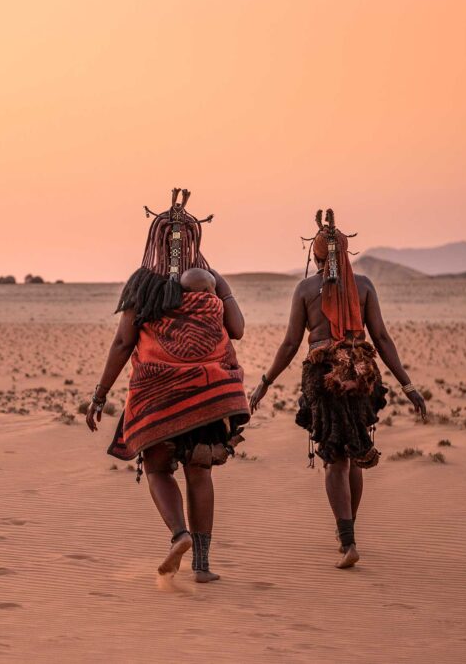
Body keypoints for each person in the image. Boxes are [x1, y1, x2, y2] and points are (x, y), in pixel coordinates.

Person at [86, 188, 249, 583]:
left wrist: (100, 394)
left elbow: (124, 342)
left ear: (155, 239)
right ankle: (203, 565)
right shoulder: (210, 284)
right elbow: (238, 330)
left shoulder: (143, 285)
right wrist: (221, 285)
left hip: (155, 395)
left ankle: (179, 534)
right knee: (199, 471)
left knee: (158, 469)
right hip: (204, 393)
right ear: (194, 239)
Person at [249, 209, 427, 569]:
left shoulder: (304, 289)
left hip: (323, 375)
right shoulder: (364, 287)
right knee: (355, 449)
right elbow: (381, 337)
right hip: (361, 372)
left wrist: (264, 384)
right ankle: (349, 531)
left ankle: (347, 541)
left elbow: (288, 346)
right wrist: (408, 385)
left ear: (315, 255)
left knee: (335, 458)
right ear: (346, 253)